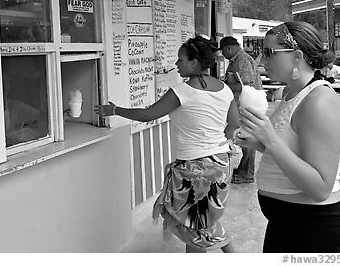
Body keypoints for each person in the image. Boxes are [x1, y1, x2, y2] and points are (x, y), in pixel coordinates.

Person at [95, 35, 239, 253]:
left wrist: (115, 110)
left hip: (195, 167)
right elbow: (234, 123)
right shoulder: (225, 89)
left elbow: (148, 115)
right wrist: (217, 144)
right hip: (220, 163)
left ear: (194, 62)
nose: (176, 64)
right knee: (200, 222)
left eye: (180, 60)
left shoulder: (182, 91)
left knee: (195, 226)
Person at [237, 21, 340, 253]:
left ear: (297, 56)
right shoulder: (290, 92)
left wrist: (271, 141)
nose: (262, 61)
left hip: (312, 227)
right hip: (285, 223)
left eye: (268, 53)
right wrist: (260, 143)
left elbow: (320, 188)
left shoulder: (319, 101)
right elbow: (295, 150)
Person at [220, 36, 263, 184]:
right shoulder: (236, 60)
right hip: (240, 105)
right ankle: (244, 168)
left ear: (228, 48)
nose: (223, 56)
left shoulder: (242, 60)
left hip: (248, 105)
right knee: (243, 138)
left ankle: (247, 174)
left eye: (223, 52)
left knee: (248, 139)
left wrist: (224, 88)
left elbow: (246, 85)